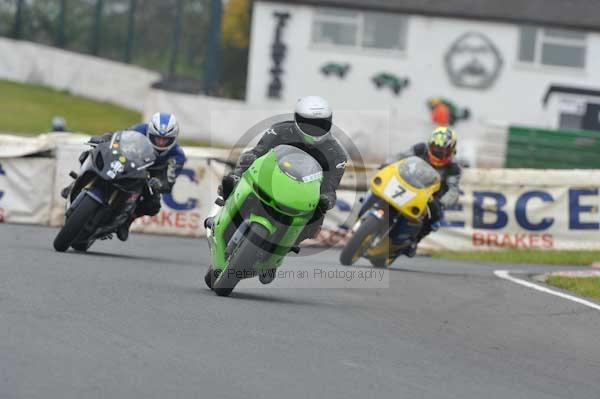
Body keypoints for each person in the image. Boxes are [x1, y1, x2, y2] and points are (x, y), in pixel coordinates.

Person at [218, 96, 347, 247]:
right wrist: (248, 162)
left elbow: (329, 187)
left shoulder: (337, 154)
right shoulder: (279, 131)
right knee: (247, 162)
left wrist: (326, 200)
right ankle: (230, 190)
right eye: (309, 123)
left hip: (302, 194)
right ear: (297, 119)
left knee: (322, 207)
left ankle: (286, 244)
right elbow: (259, 152)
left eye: (321, 124)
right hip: (270, 179)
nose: (315, 128)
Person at [62, 112, 186, 241]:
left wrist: (159, 183)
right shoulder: (140, 129)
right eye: (156, 138)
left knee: (153, 205)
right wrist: (104, 138)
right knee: (90, 152)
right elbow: (118, 136)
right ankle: (76, 182)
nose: (160, 142)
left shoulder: (177, 156)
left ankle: (127, 221)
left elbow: (169, 179)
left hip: (150, 174)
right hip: (130, 160)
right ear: (150, 132)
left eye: (165, 140)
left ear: (173, 139)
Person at [389, 127, 461, 257]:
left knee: (435, 217)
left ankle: (413, 241)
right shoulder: (421, 149)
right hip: (408, 183)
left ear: (450, 150)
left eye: (442, 149)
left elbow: (453, 190)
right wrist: (388, 163)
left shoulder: (453, 168)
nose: (437, 151)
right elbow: (401, 156)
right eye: (435, 147)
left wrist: (442, 203)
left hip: (430, 197)